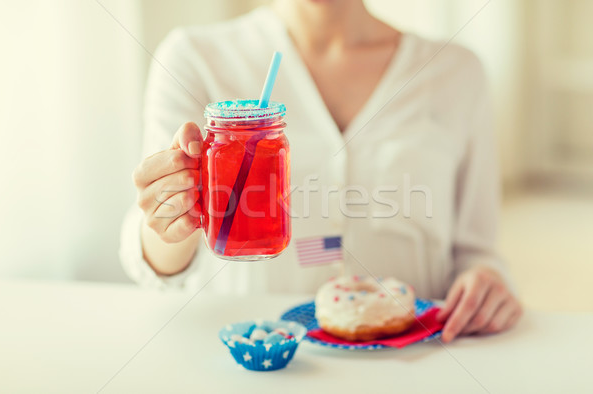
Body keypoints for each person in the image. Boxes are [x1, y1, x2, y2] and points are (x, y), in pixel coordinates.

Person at [120, 0, 522, 343]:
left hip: (407, 366)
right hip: (256, 365)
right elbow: (155, 266)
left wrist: (485, 280)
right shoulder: (193, 57)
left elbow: (477, 253)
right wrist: (170, 216)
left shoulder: (455, 71)